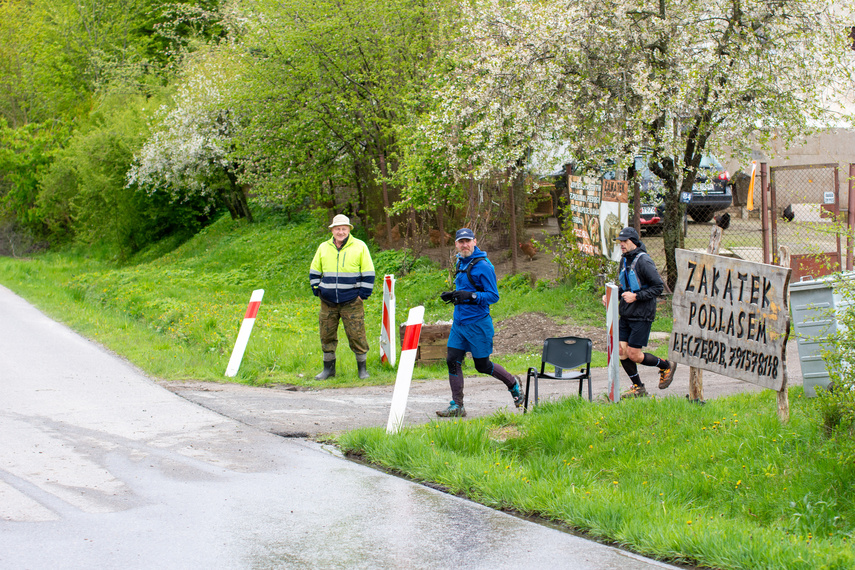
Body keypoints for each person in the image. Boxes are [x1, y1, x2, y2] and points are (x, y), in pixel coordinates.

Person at [436, 228, 525, 417]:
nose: (464, 245)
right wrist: (454, 296)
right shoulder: (461, 261)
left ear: (475, 241)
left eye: (468, 241)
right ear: (456, 244)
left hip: (478, 324)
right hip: (459, 324)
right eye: (461, 242)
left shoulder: (484, 266)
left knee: (482, 366)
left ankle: (513, 384)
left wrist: (471, 295)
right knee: (452, 361)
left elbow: (493, 296)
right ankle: (457, 405)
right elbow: (466, 287)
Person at [602, 226, 676, 397]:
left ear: (633, 242)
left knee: (634, 354)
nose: (621, 244)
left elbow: (658, 287)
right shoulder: (625, 259)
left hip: (642, 314)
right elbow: (626, 286)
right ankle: (638, 387)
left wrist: (637, 296)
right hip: (626, 313)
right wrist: (611, 295)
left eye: (625, 241)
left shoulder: (644, 261)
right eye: (620, 241)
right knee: (621, 351)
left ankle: (665, 366)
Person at [309, 214, 375, 380]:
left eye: (344, 229)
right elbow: (314, 270)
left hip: (352, 300)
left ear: (349, 230)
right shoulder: (323, 247)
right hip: (328, 301)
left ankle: (362, 370)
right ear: (332, 230)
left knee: (357, 334)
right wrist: (317, 289)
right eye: (337, 229)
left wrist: (363, 295)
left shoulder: (360, 246)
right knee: (326, 334)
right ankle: (328, 370)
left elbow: (369, 273)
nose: (340, 232)